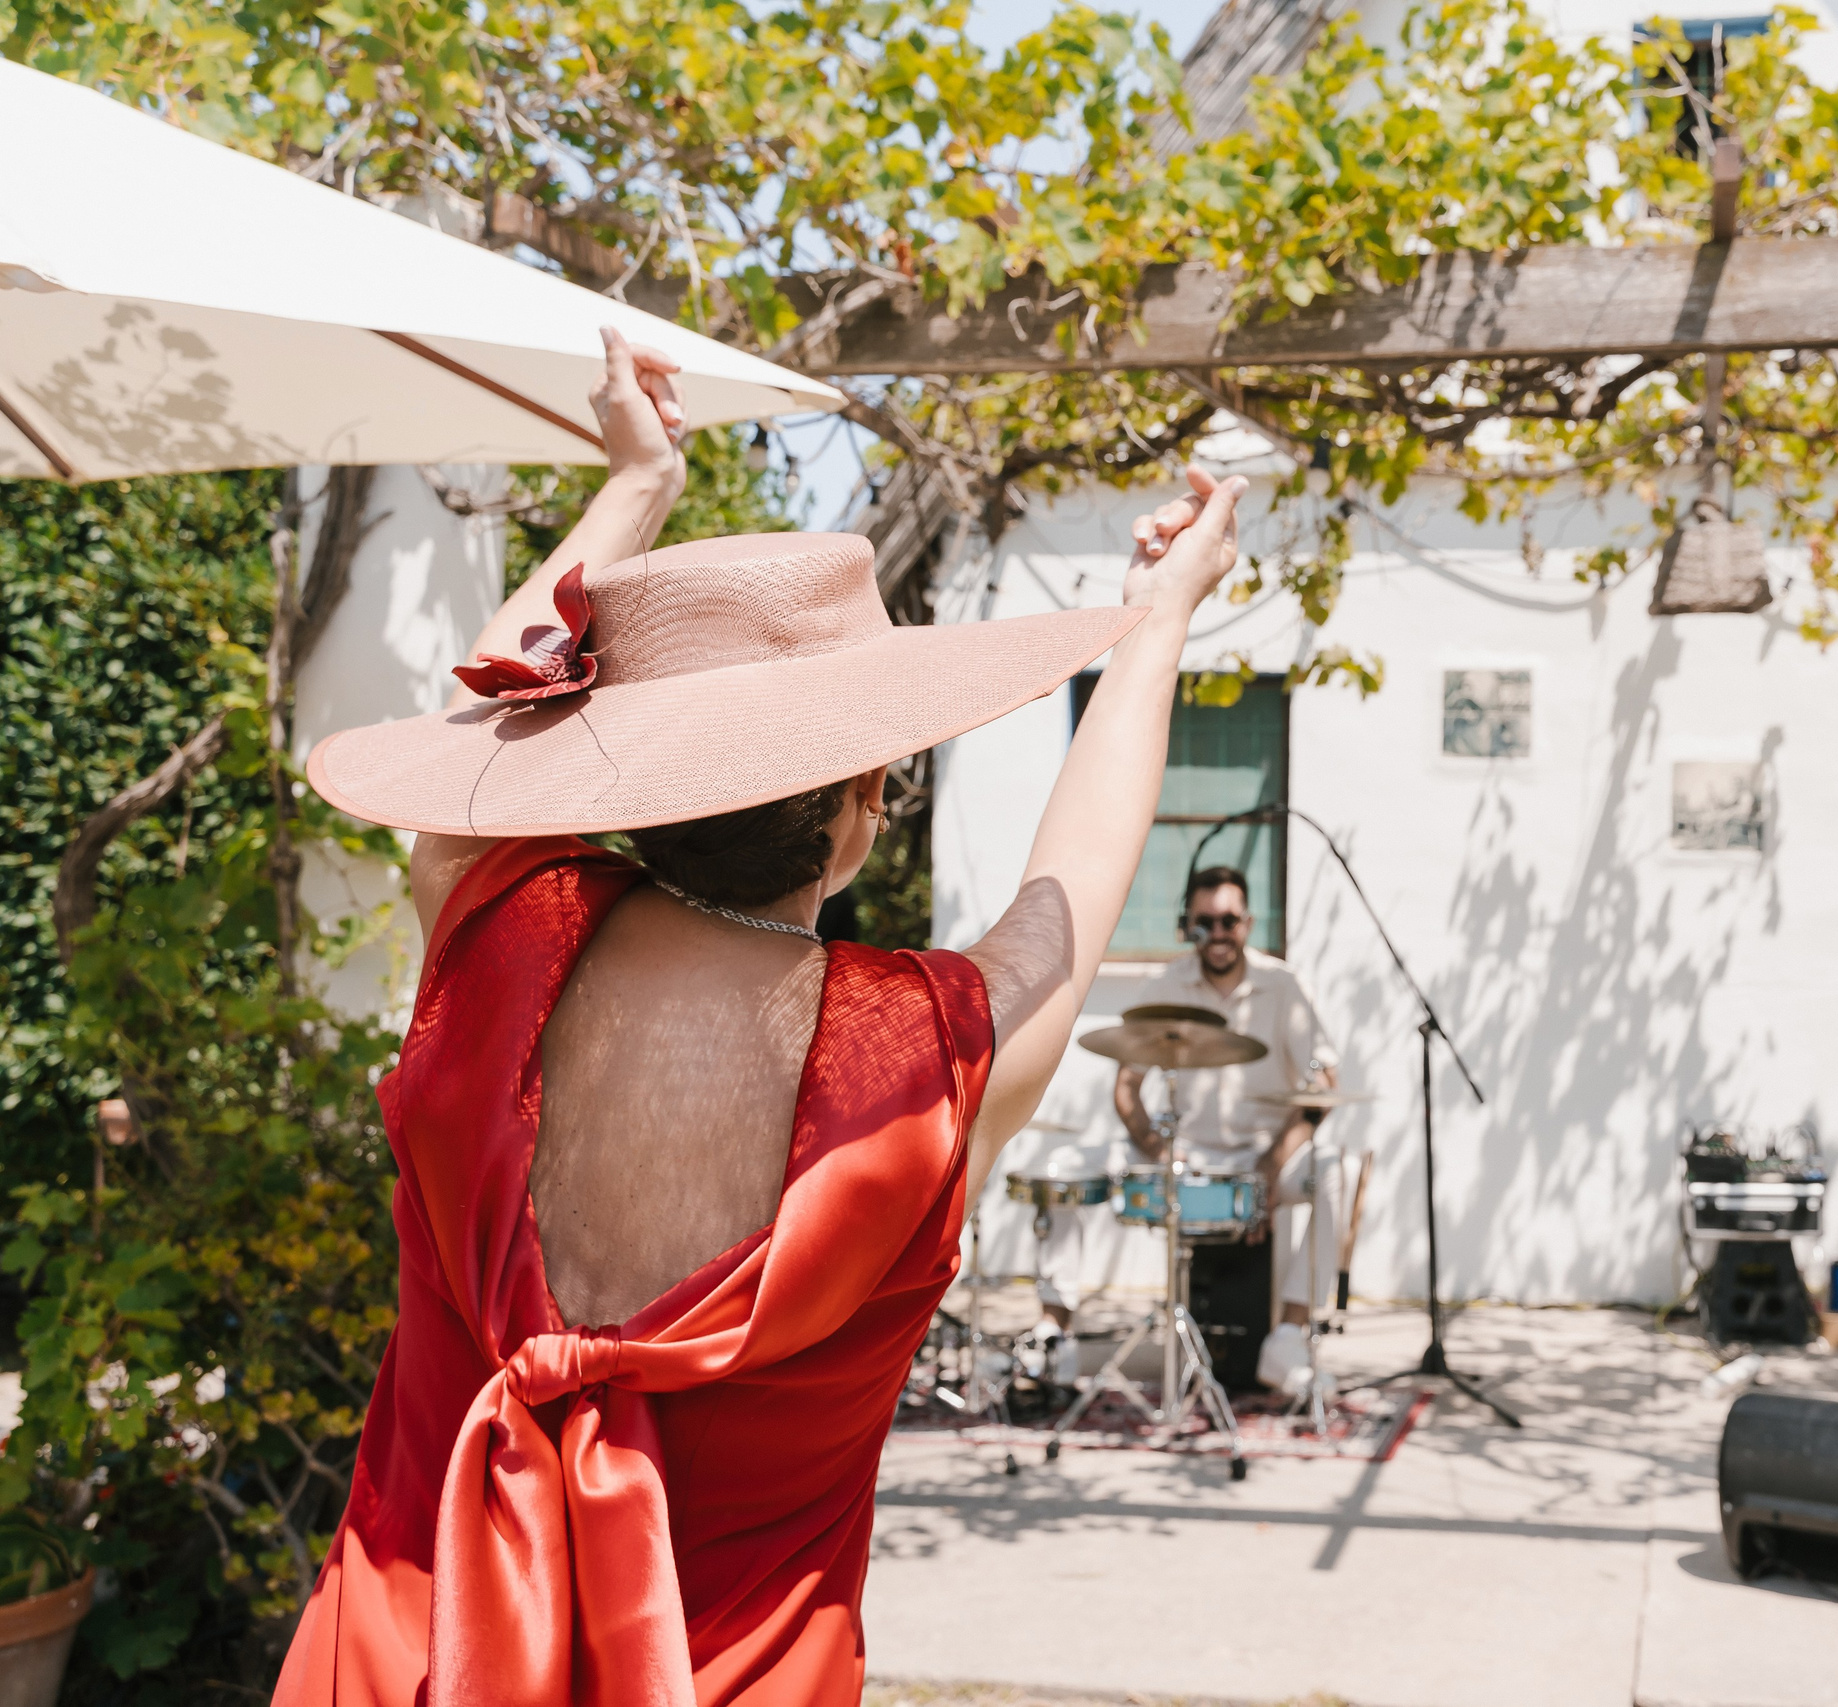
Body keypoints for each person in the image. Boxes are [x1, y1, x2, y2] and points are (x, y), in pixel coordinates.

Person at [275, 325, 1251, 1705]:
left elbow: (473, 750)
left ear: (613, 774)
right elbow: (1072, 894)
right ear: (862, 811)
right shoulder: (922, 1069)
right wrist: (1157, 618)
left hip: (394, 1668)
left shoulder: (498, 925)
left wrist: (632, 483)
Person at [1110, 864, 1342, 1395]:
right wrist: (1155, 1148)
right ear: (1187, 924)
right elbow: (1126, 1089)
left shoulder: (1282, 984)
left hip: (1267, 1158)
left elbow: (1325, 1082)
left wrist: (1270, 1166)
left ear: (1248, 923)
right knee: (1077, 1166)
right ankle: (1054, 1337)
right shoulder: (1164, 985)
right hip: (1188, 1158)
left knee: (1335, 1171)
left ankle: (1287, 1335)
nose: (1218, 932)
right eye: (1205, 921)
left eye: (1229, 921)